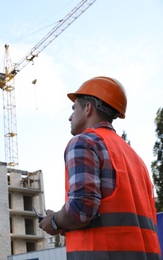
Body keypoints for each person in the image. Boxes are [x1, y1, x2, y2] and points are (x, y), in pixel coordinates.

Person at [39, 76, 161, 259]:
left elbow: (81, 209)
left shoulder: (83, 142)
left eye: (74, 108)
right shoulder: (135, 158)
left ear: (88, 108)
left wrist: (54, 221)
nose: (70, 116)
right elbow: (117, 219)